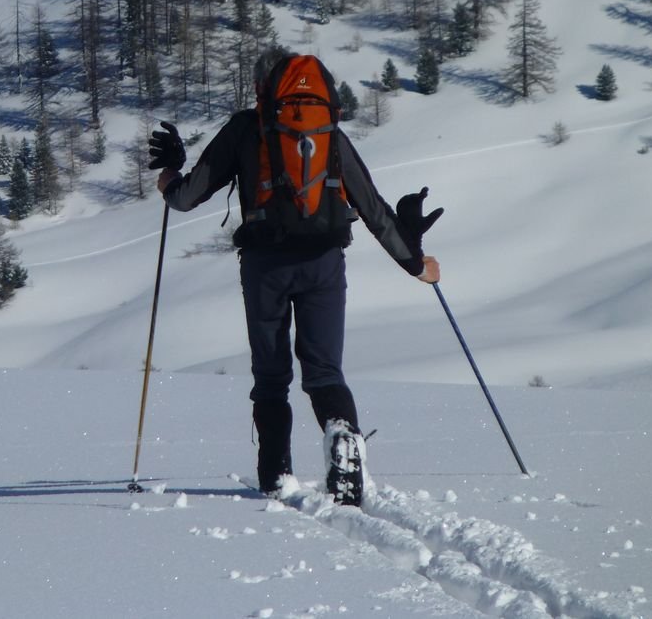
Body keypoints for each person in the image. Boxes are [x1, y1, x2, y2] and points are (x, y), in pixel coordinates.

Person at [149, 46, 441, 505]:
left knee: (271, 376)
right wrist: (415, 264)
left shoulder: (246, 129)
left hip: (265, 267)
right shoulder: (330, 135)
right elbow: (373, 208)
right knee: (324, 371)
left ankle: (275, 475)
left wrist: (169, 175)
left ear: (261, 87)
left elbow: (186, 198)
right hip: (325, 262)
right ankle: (343, 434)